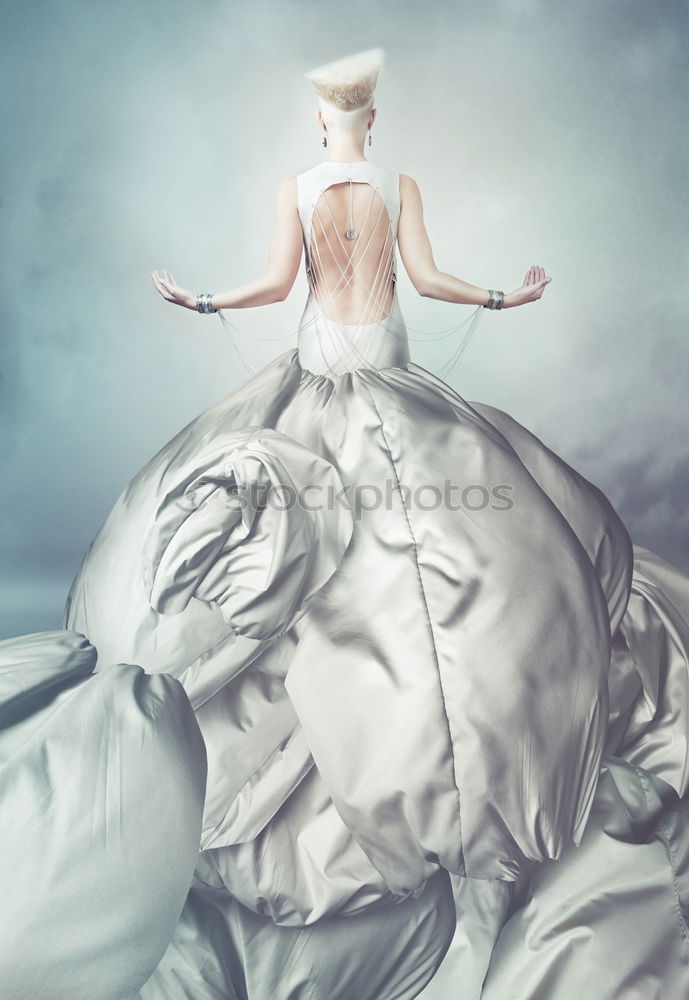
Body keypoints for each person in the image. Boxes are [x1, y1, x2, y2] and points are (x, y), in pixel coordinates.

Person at [2, 47, 688, 1000]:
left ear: (325, 125)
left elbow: (280, 286)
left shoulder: (303, 184)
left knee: (358, 545)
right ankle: (431, 783)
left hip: (329, 368)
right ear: (368, 123)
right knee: (441, 541)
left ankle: (378, 791)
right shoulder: (390, 182)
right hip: (367, 366)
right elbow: (425, 280)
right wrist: (499, 297)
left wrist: (204, 301)